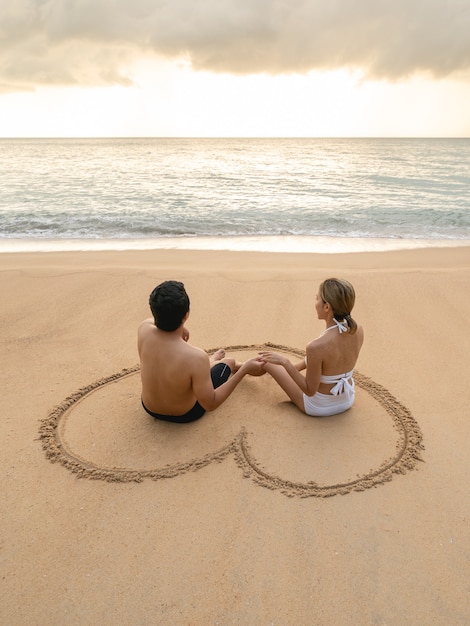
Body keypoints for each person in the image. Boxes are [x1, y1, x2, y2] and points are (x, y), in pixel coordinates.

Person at [138, 280, 263, 423]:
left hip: (149, 407)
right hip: (185, 414)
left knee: (191, 368)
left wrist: (181, 328)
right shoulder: (196, 356)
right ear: (186, 315)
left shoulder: (143, 329)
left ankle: (212, 362)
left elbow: (153, 321)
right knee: (229, 362)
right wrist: (244, 371)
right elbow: (210, 403)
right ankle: (239, 365)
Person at [258, 278, 364, 417]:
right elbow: (325, 361)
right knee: (280, 364)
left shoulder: (317, 346)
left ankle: (238, 367)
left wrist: (286, 363)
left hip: (320, 407)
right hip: (346, 400)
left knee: (265, 361)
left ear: (327, 307)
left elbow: (309, 390)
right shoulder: (358, 330)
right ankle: (241, 367)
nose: (315, 303)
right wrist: (293, 368)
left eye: (317, 299)